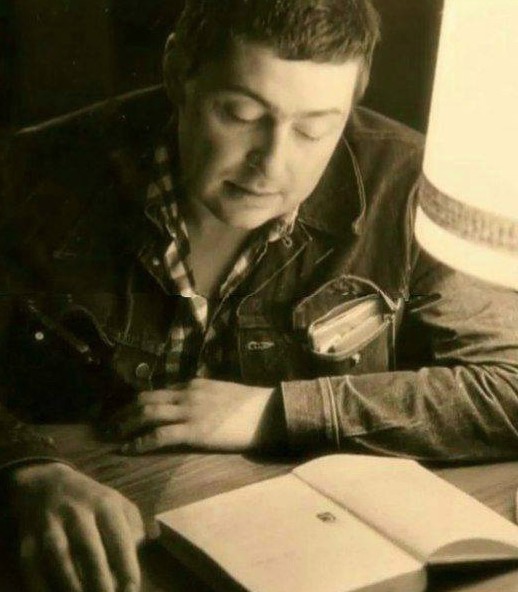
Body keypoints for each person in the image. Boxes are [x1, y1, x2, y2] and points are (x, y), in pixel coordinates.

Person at [1, 0, 517, 590]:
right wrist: (25, 470)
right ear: (179, 73)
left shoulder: (411, 186)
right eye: (241, 114)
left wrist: (274, 412)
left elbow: (510, 387)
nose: (271, 163)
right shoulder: (31, 173)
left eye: (314, 128)